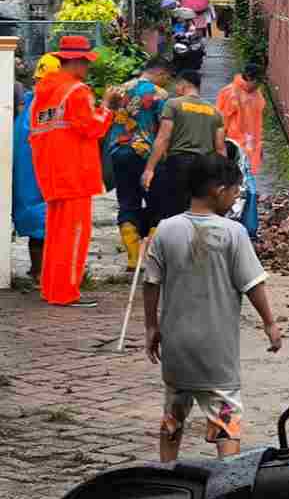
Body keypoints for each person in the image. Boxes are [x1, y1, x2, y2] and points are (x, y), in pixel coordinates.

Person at [143, 153, 283, 461]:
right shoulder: (233, 233)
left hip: (177, 347)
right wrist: (270, 323)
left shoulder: (166, 229)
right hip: (216, 351)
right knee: (226, 422)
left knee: (173, 416)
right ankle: (228, 481)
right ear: (219, 191)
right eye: (235, 192)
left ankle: (167, 474)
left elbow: (151, 283)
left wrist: (152, 326)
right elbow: (252, 285)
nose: (236, 199)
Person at [28, 36, 115, 308]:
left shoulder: (43, 93)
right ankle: (66, 292)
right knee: (74, 235)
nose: (88, 68)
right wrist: (109, 107)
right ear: (75, 62)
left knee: (55, 235)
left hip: (51, 174)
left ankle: (51, 289)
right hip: (75, 174)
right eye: (86, 62)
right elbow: (94, 127)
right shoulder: (77, 91)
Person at [105, 58, 172, 270]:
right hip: (147, 156)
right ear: (162, 74)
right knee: (157, 204)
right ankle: (151, 257)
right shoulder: (159, 95)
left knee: (127, 202)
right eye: (167, 79)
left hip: (120, 153)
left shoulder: (120, 90)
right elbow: (164, 132)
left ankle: (133, 259)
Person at [142, 70, 226, 228]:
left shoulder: (173, 104)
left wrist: (149, 169)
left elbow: (163, 138)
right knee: (197, 211)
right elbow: (220, 148)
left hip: (178, 164)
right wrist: (222, 177)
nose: (175, 89)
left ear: (183, 84)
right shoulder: (214, 111)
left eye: (177, 85)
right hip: (204, 167)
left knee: (174, 212)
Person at [13, 69, 49, 284]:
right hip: (35, 176)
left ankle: (38, 270)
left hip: (30, 175)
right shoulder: (40, 107)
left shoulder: (28, 103)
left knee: (38, 225)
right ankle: (40, 272)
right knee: (40, 226)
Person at [216, 63, 266, 174]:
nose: (258, 85)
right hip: (235, 145)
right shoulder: (229, 92)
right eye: (257, 82)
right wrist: (220, 148)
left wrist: (259, 145)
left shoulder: (256, 94)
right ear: (248, 77)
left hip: (250, 144)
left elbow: (257, 121)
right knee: (235, 178)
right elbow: (221, 121)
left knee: (246, 178)